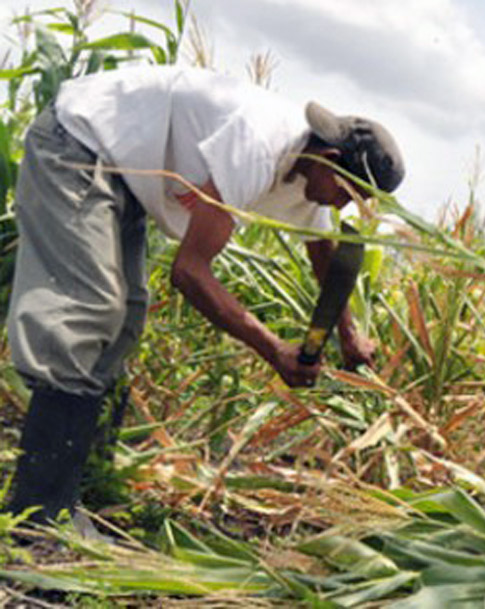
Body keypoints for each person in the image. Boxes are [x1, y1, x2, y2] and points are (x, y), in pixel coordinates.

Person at [4, 65, 404, 524]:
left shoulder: (310, 178)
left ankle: (82, 488)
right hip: (78, 141)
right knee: (90, 309)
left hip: (125, 179)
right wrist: (273, 349)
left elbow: (325, 256)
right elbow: (190, 273)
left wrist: (349, 337)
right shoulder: (258, 144)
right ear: (329, 156)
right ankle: (39, 510)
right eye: (348, 193)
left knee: (123, 323)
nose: (344, 205)